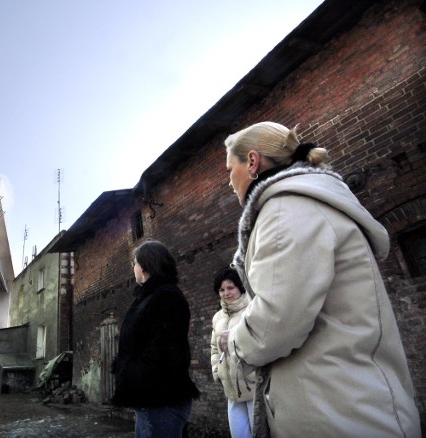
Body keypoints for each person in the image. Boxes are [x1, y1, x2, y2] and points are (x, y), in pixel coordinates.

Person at [218, 121, 420, 437]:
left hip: (340, 414)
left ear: (253, 162)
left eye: (231, 169)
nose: (229, 181)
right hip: (341, 403)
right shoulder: (300, 205)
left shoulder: (286, 210)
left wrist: (233, 343)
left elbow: (275, 323)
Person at [111, 239, 200, 438]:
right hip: (149, 397)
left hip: (160, 398)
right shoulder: (147, 297)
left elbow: (164, 349)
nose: (133, 268)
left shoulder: (167, 296)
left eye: (134, 263)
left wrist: (131, 372)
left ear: (145, 266)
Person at [210, 267, 255, 438]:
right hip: (231, 391)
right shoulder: (217, 317)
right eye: (221, 289)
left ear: (240, 287)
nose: (226, 293)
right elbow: (214, 348)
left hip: (253, 388)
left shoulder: (252, 310)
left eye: (230, 288)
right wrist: (217, 371)